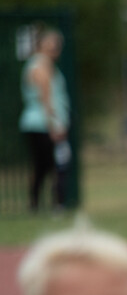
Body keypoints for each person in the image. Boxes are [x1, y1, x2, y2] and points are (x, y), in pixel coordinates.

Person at [18, 27, 70, 212]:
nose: (56, 49)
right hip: (41, 123)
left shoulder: (38, 64)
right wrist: (54, 125)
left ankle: (36, 204)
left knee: (41, 166)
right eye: (53, 44)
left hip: (37, 123)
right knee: (56, 164)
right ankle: (56, 203)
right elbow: (46, 97)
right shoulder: (41, 65)